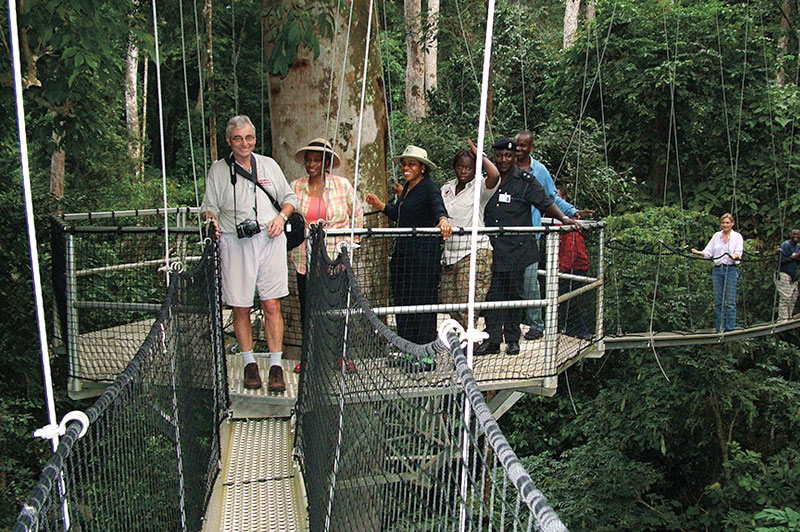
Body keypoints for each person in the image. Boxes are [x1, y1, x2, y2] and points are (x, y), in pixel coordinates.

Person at [201, 115, 298, 392]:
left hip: (270, 238)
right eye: (238, 138)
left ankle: (276, 365)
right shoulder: (218, 170)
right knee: (240, 305)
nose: (244, 143)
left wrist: (281, 217)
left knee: (271, 304)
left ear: (254, 139)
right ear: (229, 141)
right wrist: (211, 219)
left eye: (249, 138)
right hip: (235, 241)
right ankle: (249, 363)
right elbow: (210, 206)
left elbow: (290, 198)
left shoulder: (268, 164)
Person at [474, 138, 576, 356]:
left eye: (508, 156)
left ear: (514, 157)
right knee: (492, 296)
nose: (503, 160)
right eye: (499, 155)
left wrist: (565, 218)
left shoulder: (526, 181)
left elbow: (546, 202)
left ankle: (512, 339)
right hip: (492, 249)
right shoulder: (487, 180)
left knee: (514, 295)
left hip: (518, 249)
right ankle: (491, 340)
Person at [365, 145, 452, 365]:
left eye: (411, 164)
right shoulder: (407, 189)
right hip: (403, 255)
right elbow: (401, 216)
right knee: (404, 301)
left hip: (423, 256)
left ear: (422, 168)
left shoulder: (429, 188)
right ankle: (407, 350)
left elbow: (438, 208)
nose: (406, 167)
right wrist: (380, 205)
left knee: (422, 302)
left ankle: (426, 355)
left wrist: (443, 220)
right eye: (404, 164)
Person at [289, 138, 363, 373]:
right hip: (305, 258)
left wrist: (348, 246)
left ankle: (339, 355)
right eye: (309, 160)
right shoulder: (296, 186)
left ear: (327, 162)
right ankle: (311, 355)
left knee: (337, 308)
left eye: (317, 160)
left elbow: (357, 216)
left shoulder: (342, 185)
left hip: (335, 258)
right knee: (308, 308)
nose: (312, 164)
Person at [514, 131, 594, 340]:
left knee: (530, 281)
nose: (520, 149)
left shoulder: (539, 171)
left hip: (530, 233)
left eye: (524, 146)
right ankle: (506, 325)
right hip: (504, 234)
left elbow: (551, 198)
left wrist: (572, 212)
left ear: (531, 147)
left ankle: (536, 324)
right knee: (504, 282)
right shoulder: (506, 165)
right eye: (517, 145)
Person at [439, 140, 500, 328]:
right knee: (448, 300)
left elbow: (495, 174)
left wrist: (478, 153)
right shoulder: (446, 188)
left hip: (474, 251)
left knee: (469, 302)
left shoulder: (479, 187)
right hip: (450, 254)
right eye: (459, 167)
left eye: (468, 168)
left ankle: (469, 343)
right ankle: (462, 337)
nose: (463, 171)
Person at [691, 213, 743, 333]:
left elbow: (739, 252)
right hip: (717, 269)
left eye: (727, 223)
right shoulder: (716, 236)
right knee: (718, 301)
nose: (725, 225)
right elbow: (708, 251)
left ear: (732, 224)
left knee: (730, 301)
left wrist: (735, 255)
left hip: (730, 269)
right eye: (723, 223)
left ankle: (730, 329)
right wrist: (699, 253)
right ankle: (719, 328)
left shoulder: (737, 237)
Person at [556, 183, 591, 340]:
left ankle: (581, 331)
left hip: (574, 266)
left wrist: (559, 270)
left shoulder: (569, 223)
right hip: (566, 266)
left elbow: (571, 250)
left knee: (568, 299)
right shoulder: (557, 221)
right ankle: (572, 330)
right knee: (566, 300)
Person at [774, 228, 800, 321]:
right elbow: (782, 260)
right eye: (794, 234)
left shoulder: (798, 247)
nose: (796, 236)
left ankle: (788, 317)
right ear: (790, 235)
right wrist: (796, 256)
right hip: (783, 273)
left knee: (793, 296)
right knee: (785, 297)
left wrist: (794, 257)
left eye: (798, 235)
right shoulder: (786, 245)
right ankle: (782, 319)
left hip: (793, 276)